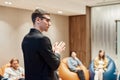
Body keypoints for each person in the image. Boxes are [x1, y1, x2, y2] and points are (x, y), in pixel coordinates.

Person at [21, 9, 65, 80]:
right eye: (47, 20)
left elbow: (38, 59)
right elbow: (55, 65)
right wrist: (57, 52)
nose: (50, 24)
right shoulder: (43, 39)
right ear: (38, 20)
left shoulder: (26, 38)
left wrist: (51, 52)